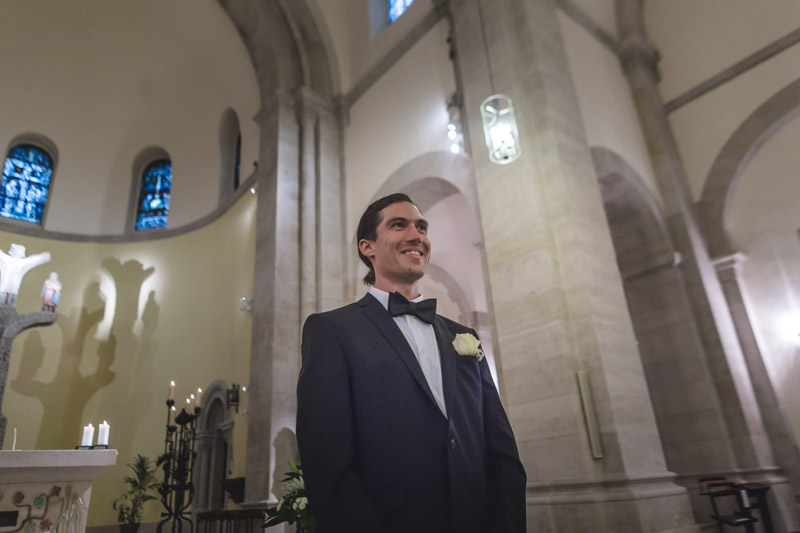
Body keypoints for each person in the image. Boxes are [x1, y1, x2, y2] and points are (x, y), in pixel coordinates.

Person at [296, 193, 527, 533]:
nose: (416, 235)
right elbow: (328, 466)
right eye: (398, 225)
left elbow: (501, 450)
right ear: (367, 247)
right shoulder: (333, 331)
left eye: (421, 226)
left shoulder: (464, 336)